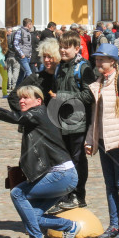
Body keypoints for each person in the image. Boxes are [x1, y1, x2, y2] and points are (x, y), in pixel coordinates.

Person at [0, 86, 81, 238]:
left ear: (38, 101)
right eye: (20, 98)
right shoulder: (35, 116)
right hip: (62, 176)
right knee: (33, 215)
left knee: (18, 193)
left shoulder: (39, 113)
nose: (21, 101)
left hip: (62, 175)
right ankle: (69, 226)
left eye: (26, 98)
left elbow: (15, 117)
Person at [84, 43, 119, 238]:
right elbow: (94, 117)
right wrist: (91, 140)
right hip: (104, 141)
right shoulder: (100, 83)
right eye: (96, 59)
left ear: (112, 62)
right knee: (109, 184)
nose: (97, 62)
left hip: (118, 143)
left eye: (101, 59)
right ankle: (114, 225)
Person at [52, 30, 96, 210]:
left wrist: (63, 96)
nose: (62, 51)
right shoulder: (60, 67)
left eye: (66, 48)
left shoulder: (83, 68)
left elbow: (89, 95)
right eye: (60, 47)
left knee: (77, 160)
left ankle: (78, 195)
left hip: (78, 121)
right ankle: (65, 195)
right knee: (63, 161)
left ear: (77, 48)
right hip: (61, 121)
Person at [7, 38, 60, 112]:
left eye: (50, 57)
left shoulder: (62, 77)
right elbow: (13, 97)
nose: (46, 60)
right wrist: (28, 115)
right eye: (44, 56)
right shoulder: (36, 77)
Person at [14, 18, 36, 83]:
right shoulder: (20, 31)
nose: (32, 26)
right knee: (29, 73)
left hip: (27, 56)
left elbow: (29, 45)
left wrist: (30, 54)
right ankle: (29, 87)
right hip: (23, 56)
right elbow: (16, 43)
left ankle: (17, 88)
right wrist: (21, 54)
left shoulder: (28, 32)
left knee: (22, 74)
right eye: (31, 24)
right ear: (29, 25)